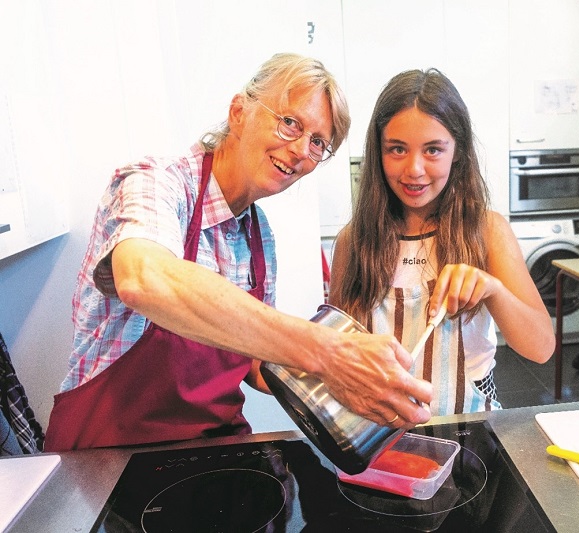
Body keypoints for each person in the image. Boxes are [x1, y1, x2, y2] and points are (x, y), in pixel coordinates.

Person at [44, 53, 433, 452]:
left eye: (318, 143)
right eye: (289, 123)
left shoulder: (258, 234)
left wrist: (344, 394)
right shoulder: (154, 182)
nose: (301, 150)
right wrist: (328, 353)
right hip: (108, 457)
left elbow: (253, 363)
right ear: (238, 113)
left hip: (215, 452)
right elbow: (145, 279)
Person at [328, 68, 554, 415]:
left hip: (469, 426)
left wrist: (492, 288)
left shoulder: (486, 231)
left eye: (433, 150)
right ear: (378, 152)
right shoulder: (353, 242)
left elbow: (541, 347)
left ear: (458, 152)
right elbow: (337, 355)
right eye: (397, 149)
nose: (414, 169)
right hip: (379, 431)